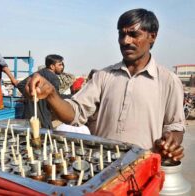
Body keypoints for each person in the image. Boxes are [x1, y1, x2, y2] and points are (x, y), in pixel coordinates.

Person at [24, 8, 185, 162]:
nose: (125, 41)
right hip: (102, 170)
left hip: (143, 171)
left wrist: (171, 141)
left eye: (133, 34)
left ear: (152, 36)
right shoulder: (103, 76)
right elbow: (74, 113)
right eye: (121, 35)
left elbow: (175, 126)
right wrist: (51, 94)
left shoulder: (168, 81)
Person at [17, 54, 64, 129]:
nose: (62, 67)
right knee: (44, 138)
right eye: (60, 65)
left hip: (29, 115)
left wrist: (30, 96)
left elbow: (21, 85)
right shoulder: (54, 78)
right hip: (43, 116)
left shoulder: (38, 74)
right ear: (52, 66)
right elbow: (55, 99)